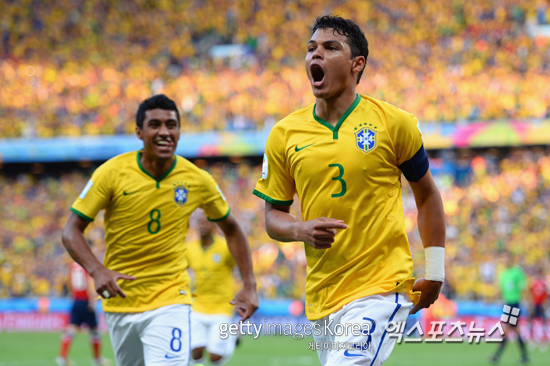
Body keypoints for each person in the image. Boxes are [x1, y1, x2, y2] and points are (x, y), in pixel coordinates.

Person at [253, 15, 446, 366]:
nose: (316, 55)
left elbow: (428, 195)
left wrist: (435, 269)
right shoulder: (284, 134)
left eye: (330, 47)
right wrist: (299, 229)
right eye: (311, 48)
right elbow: (272, 217)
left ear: (357, 64)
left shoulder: (393, 123)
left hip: (380, 286)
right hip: (324, 293)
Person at [61, 94, 258, 366]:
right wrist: (97, 270)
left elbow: (233, 229)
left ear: (179, 131)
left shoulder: (197, 179)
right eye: (155, 125)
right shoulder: (112, 173)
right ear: (139, 132)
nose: (164, 132)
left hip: (171, 298)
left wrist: (249, 285)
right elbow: (71, 230)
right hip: (122, 301)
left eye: (171, 124)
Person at [186, 212, 239, 365]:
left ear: (214, 226)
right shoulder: (190, 248)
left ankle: (231, 339)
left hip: (222, 307)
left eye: (206, 222)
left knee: (215, 356)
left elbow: (239, 266)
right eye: (199, 223)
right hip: (197, 305)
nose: (202, 226)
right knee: (196, 352)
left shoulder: (225, 246)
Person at [56, 261, 108, 366]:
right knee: (94, 330)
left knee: (71, 328)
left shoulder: (73, 265)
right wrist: (92, 301)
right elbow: (89, 283)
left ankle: (62, 357)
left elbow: (70, 283)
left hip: (76, 300)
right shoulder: (86, 263)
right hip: (85, 300)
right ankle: (97, 359)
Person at [491, 253, 529, 364]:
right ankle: (524, 356)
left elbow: (524, 287)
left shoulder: (517, 272)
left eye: (507, 259)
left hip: (515, 304)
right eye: (504, 259)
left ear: (511, 260)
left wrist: (527, 302)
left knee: (508, 329)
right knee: (512, 330)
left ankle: (497, 356)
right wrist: (491, 298)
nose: (506, 261)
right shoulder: (503, 274)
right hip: (507, 305)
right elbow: (501, 289)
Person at [529, 266, 548, 349]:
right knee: (532, 320)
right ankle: (533, 339)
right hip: (535, 303)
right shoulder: (533, 281)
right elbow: (530, 292)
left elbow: (546, 293)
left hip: (542, 303)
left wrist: (546, 302)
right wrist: (530, 302)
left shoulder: (545, 281)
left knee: (543, 321)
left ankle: (543, 340)